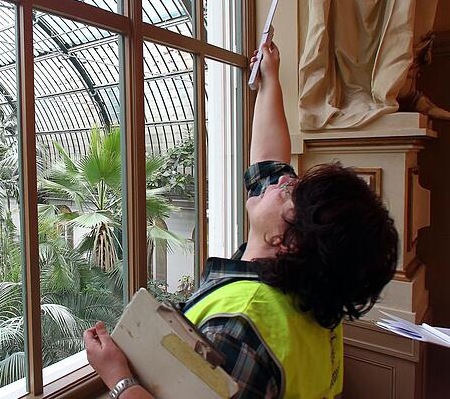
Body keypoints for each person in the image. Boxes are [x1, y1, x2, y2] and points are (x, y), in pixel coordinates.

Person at [83, 42, 399, 399]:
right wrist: (269, 81)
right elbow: (270, 165)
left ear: (286, 241)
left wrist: (119, 378)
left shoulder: (238, 330)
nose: (282, 179)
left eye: (292, 191)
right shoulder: (316, 287)